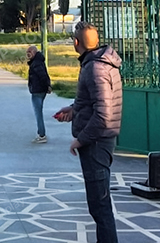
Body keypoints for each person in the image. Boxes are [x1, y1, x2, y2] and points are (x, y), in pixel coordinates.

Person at [54, 21, 122, 243]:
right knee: (99, 205)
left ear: (76, 42)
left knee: (100, 207)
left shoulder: (95, 68)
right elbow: (96, 103)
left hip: (96, 144)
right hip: (99, 142)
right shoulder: (98, 63)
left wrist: (79, 140)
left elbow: (103, 115)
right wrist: (74, 110)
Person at [26, 45, 52, 143]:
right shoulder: (38, 61)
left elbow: (43, 76)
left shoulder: (36, 63)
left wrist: (47, 86)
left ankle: (42, 135)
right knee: (38, 112)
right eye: (26, 52)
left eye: (29, 52)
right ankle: (41, 133)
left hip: (38, 91)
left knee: (38, 114)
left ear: (34, 52)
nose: (27, 54)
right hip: (40, 90)